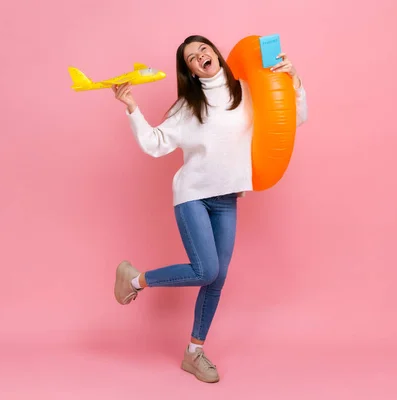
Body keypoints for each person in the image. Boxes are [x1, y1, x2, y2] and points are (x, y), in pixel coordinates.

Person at [111, 35, 308, 383]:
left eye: (204, 49)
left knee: (217, 279)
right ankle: (136, 280)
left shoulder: (246, 91)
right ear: (189, 70)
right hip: (193, 196)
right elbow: (155, 144)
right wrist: (131, 106)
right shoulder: (188, 106)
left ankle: (194, 353)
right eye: (191, 57)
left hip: (226, 198)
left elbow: (294, 119)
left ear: (215, 53)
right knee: (206, 270)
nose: (200, 56)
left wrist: (293, 80)